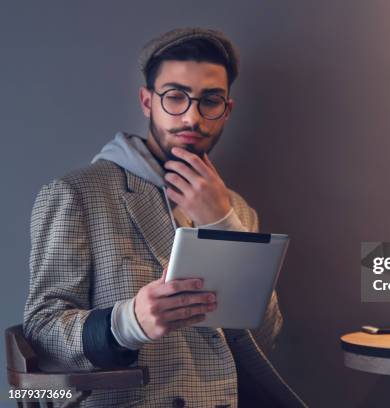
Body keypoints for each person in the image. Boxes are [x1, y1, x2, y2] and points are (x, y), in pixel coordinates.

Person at [23, 27, 305, 408]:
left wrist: (221, 222)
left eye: (210, 101)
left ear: (227, 109)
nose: (192, 118)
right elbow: (41, 331)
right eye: (175, 97)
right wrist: (127, 322)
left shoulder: (235, 209)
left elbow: (265, 337)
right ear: (146, 101)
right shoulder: (77, 194)